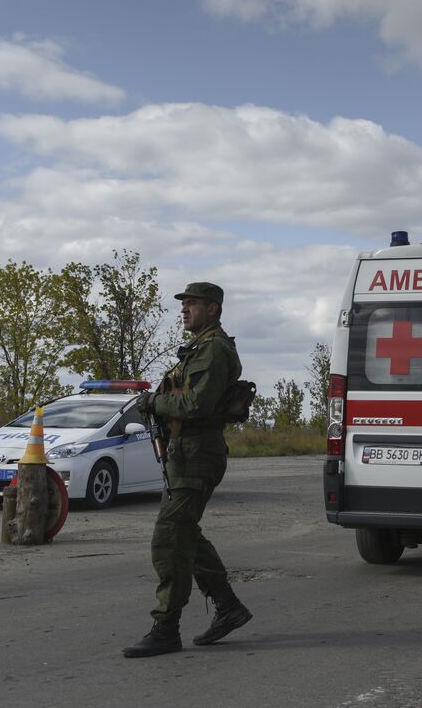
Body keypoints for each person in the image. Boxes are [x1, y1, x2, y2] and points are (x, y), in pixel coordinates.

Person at [123, 281, 252, 658]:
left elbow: (196, 404)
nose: (185, 310)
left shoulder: (213, 350)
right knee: (184, 534)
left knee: (169, 538)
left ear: (213, 309)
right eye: (184, 304)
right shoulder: (198, 349)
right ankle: (228, 606)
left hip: (198, 452)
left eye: (192, 304)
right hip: (186, 453)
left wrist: (153, 402)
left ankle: (166, 627)